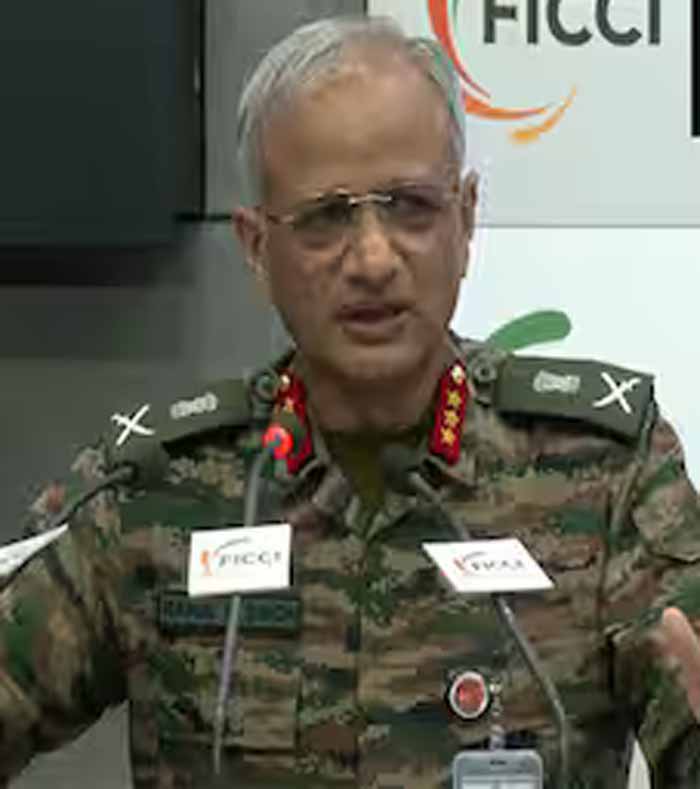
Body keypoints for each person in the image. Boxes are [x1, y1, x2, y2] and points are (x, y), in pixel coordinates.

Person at [0, 15, 699, 789]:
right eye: (326, 217)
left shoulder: (605, 471)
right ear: (256, 247)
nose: (372, 258)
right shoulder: (154, 488)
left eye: (410, 206)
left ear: (466, 220)